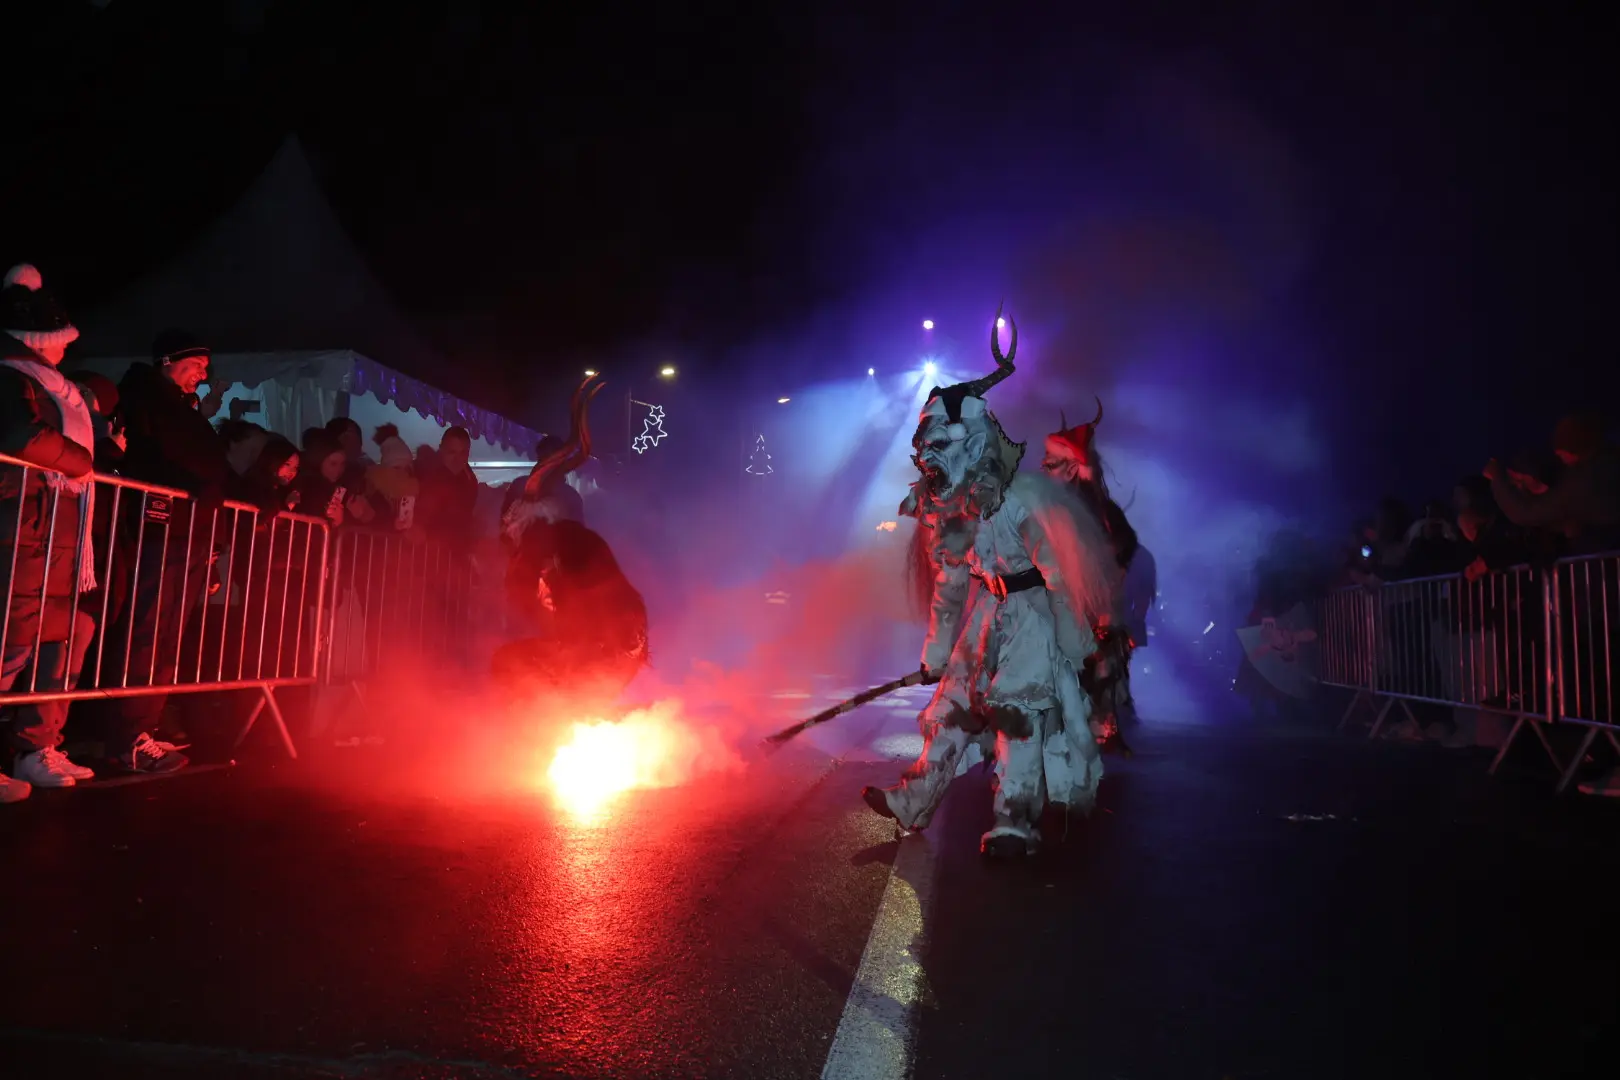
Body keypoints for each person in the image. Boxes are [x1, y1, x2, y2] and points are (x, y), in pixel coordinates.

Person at [861, 311, 1118, 858]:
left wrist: (1074, 644)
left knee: (1015, 712)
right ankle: (912, 801)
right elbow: (952, 585)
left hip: (1031, 616)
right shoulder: (952, 512)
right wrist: (937, 650)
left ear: (975, 445)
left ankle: (1015, 823)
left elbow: (1057, 575)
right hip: (988, 612)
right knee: (951, 707)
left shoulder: (1022, 501)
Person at [102, 329, 233, 773]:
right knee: (148, 628)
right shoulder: (141, 397)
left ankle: (144, 727)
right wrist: (191, 485)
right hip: (160, 526)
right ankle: (126, 735)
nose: (203, 373)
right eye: (196, 364)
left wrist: (248, 494)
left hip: (189, 528)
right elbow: (142, 456)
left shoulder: (181, 408)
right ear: (169, 360)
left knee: (167, 635)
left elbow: (216, 466)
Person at [0, 264, 100, 792]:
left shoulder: (51, 382)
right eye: (59, 341)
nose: (65, 349)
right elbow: (21, 433)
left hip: (54, 530)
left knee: (60, 635)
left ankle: (35, 748)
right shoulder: (12, 376)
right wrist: (78, 461)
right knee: (10, 641)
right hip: (21, 524)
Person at [1041, 399, 1141, 752]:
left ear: (1071, 469)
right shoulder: (1047, 507)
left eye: (1050, 464)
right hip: (1057, 614)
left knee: (1093, 683)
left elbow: (1125, 548)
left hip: (1089, 617)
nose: (1043, 469)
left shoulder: (1096, 512)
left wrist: (1103, 598)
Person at [492, 519, 649, 711]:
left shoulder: (600, 598)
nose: (543, 590)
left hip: (598, 670)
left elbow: (606, 657)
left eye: (545, 577)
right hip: (595, 669)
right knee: (510, 661)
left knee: (510, 662)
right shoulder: (573, 566)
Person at [501, 376, 600, 552]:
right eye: (546, 459)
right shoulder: (521, 486)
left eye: (553, 459)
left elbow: (577, 537)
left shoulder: (569, 497)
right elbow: (505, 528)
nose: (549, 465)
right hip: (523, 561)